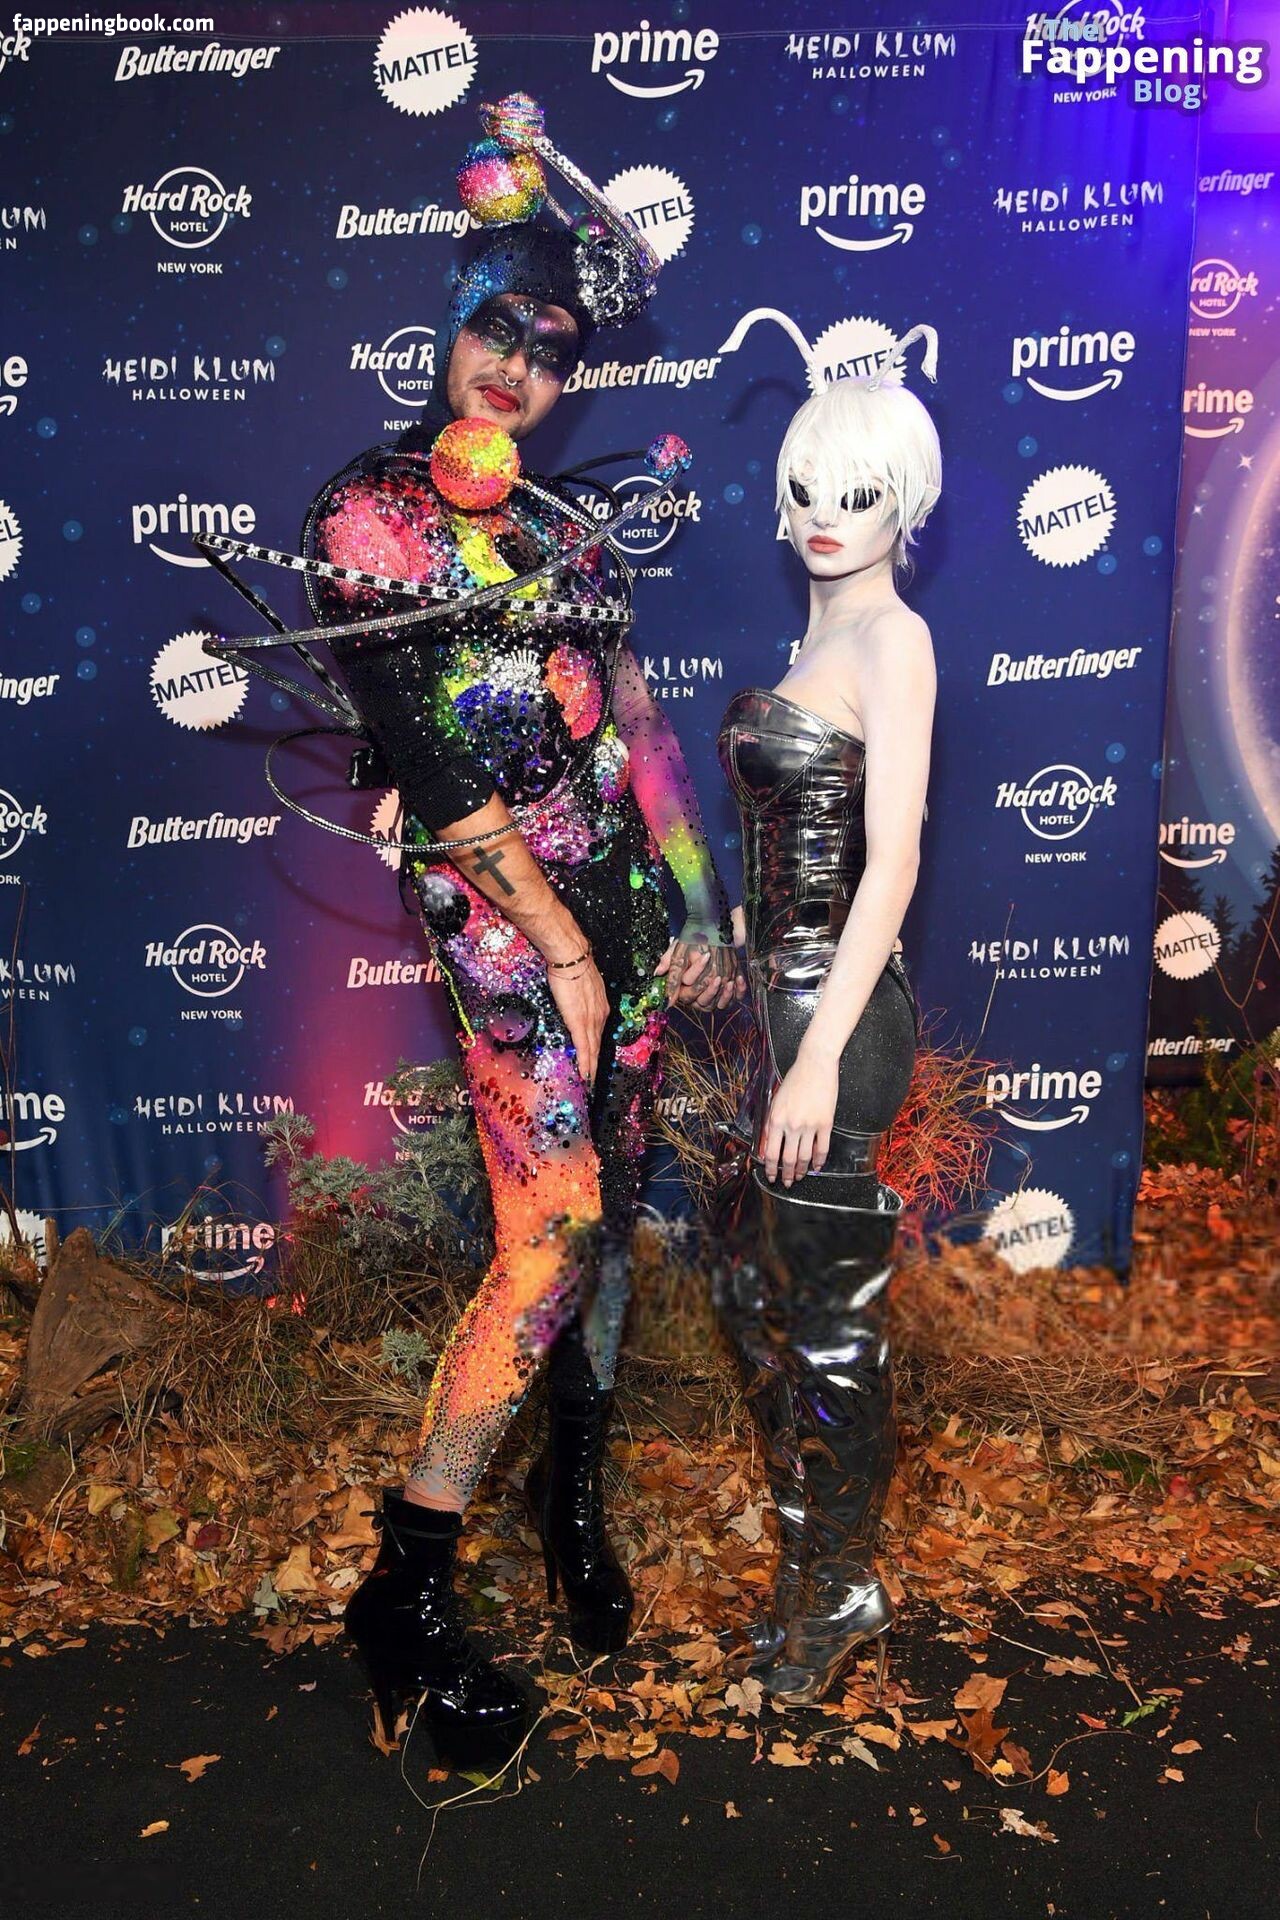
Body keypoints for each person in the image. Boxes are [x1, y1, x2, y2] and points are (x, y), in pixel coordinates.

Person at [298, 97, 740, 1769]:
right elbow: (431, 766)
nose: (519, 372)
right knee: (550, 1229)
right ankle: (403, 1590)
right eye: (498, 331)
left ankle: (574, 1496)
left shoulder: (564, 532)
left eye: (553, 354)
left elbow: (639, 724)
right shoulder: (371, 517)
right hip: (507, 939)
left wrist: (695, 903)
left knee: (604, 1224)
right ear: (450, 325)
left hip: (623, 916)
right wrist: (558, 945)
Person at [709, 329, 940, 1707]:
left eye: (855, 495)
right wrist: (741, 961)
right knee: (759, 1302)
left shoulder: (895, 638)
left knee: (831, 1322)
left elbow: (891, 865)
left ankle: (843, 1584)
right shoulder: (822, 634)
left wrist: (814, 1061)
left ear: (905, 503)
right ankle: (812, 1557)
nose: (822, 517)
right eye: (805, 490)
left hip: (835, 1028)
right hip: (779, 1006)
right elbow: (802, 853)